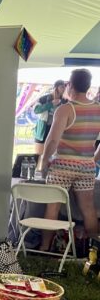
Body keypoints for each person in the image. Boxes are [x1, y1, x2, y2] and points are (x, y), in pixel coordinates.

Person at [39, 69, 100, 251]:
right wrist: (93, 160)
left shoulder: (65, 109)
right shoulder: (98, 108)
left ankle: (43, 248)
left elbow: (52, 140)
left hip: (62, 165)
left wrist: (44, 161)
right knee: (88, 209)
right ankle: (93, 250)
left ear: (70, 85)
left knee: (53, 207)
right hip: (87, 166)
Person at [33, 80, 67, 155]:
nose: (64, 89)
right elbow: (36, 110)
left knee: (54, 155)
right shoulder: (44, 99)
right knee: (39, 154)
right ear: (56, 87)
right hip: (43, 129)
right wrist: (50, 104)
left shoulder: (65, 101)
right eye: (62, 87)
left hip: (57, 129)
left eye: (65, 87)